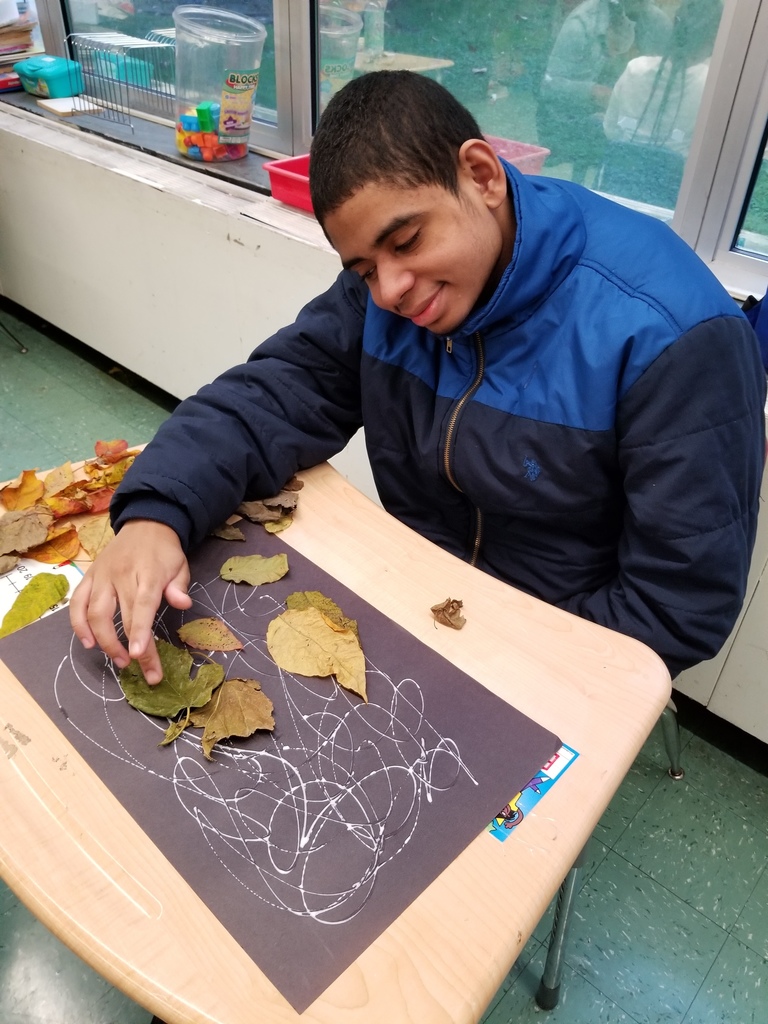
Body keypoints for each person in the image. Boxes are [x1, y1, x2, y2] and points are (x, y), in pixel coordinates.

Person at [70, 70, 766, 690]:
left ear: (482, 175)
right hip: (417, 604)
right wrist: (157, 512)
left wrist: (502, 667)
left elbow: (677, 606)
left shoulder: (672, 336)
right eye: (365, 268)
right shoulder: (391, 294)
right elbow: (273, 393)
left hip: (558, 648)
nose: (392, 291)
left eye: (406, 243)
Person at [598, 0, 722, 204]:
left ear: (675, 26)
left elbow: (610, 129)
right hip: (670, 200)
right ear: (716, 38)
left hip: (617, 190)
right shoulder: (711, 85)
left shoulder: (635, 68)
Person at [537, 0, 673, 182]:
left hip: (637, 116)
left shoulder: (659, 24)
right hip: (578, 119)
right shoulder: (581, 24)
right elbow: (550, 87)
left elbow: (672, 81)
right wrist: (595, 93)